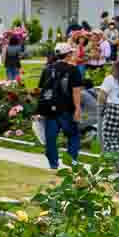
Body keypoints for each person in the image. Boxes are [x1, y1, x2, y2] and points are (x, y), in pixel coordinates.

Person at [35, 42, 89, 170]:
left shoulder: (47, 69)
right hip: (66, 108)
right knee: (73, 135)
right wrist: (77, 109)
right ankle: (71, 161)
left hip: (49, 108)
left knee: (51, 137)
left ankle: (53, 163)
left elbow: (41, 89)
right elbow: (76, 91)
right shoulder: (73, 70)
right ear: (69, 54)